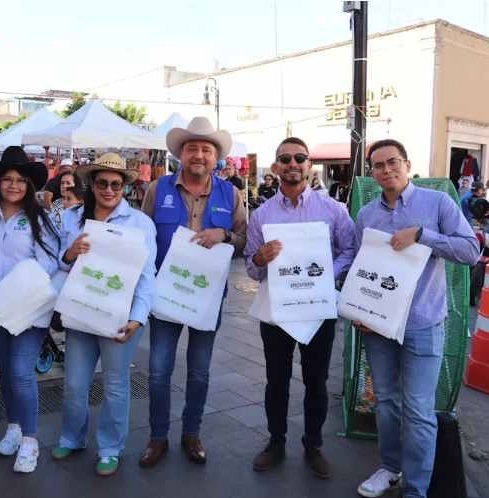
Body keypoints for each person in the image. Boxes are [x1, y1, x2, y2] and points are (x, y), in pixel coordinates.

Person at [353, 139, 479, 498]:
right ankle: (390, 468)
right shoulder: (367, 215)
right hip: (378, 325)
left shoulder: (437, 203)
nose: (386, 170)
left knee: (419, 410)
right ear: (372, 173)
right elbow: (364, 268)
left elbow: (471, 250)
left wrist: (423, 235)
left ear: (407, 165)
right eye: (378, 165)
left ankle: (416, 488)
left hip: (423, 323)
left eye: (393, 162)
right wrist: (360, 310)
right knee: (386, 401)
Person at [243, 136, 356, 479]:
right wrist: (260, 258)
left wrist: (326, 276)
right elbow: (251, 267)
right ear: (276, 166)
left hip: (317, 309)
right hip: (277, 311)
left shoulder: (333, 210)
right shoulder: (262, 215)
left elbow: (350, 250)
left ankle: (313, 445)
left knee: (316, 381)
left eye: (299, 158)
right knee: (276, 381)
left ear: (309, 164)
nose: (292, 164)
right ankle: (276, 442)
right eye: (285, 158)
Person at [138, 116, 247, 468]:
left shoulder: (231, 194)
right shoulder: (157, 189)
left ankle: (191, 433)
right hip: (164, 293)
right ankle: (157, 437)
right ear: (180, 154)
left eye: (206, 150)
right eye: (192, 149)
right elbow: (142, 235)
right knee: (158, 371)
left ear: (216, 157)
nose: (199, 155)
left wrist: (224, 235)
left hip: (207, 296)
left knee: (199, 371)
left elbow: (245, 239)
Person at [51, 153, 156, 477]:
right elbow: (58, 264)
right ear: (91, 184)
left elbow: (147, 276)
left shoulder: (140, 224)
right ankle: (72, 437)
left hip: (120, 316)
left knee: (115, 385)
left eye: (116, 184)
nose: (109, 190)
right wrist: (70, 253)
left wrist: (138, 317)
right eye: (102, 183)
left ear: (124, 187)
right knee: (74, 383)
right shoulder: (72, 219)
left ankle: (110, 448)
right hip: (82, 313)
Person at [0, 146, 60, 473]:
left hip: (28, 310)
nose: (14, 185)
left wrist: (20, 286)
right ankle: (13, 427)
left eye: (20, 180)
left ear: (29, 185)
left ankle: (30, 440)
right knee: (6, 371)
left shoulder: (39, 218)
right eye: (8, 179)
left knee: (22, 371)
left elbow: (49, 261)